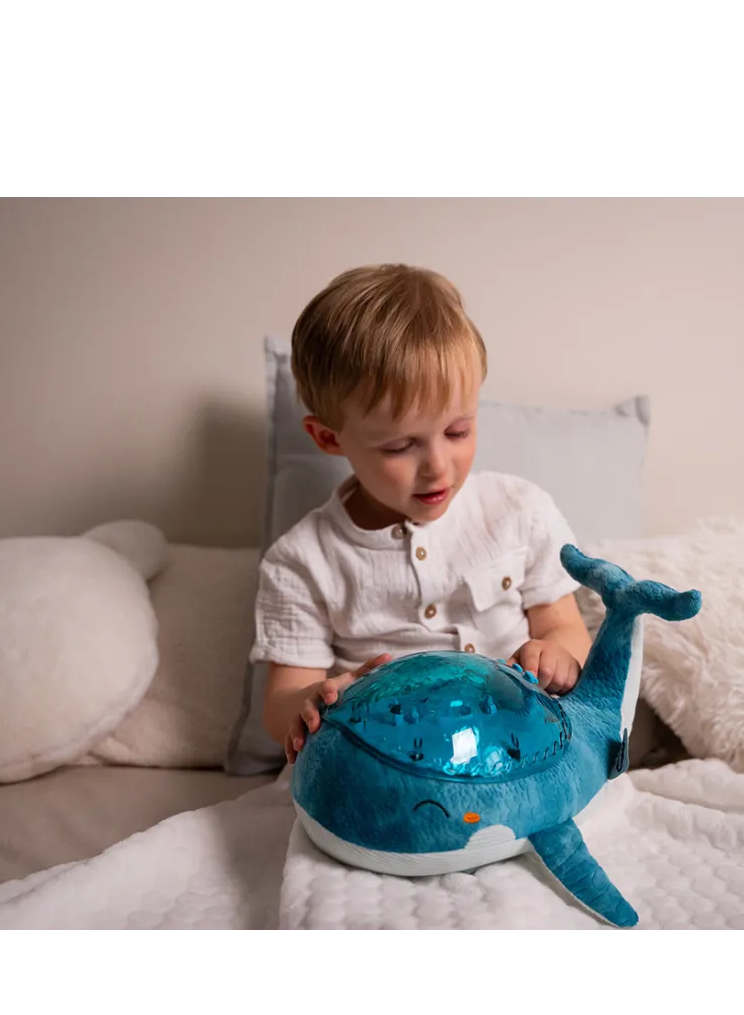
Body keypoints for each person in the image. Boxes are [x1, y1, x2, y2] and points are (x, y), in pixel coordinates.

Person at [251, 263, 592, 765]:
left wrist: (557, 656)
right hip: (377, 764)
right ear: (327, 437)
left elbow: (566, 628)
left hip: (514, 752)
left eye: (458, 431)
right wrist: (309, 701)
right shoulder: (302, 560)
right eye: (399, 446)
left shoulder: (519, 511)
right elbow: (281, 701)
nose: (438, 466)